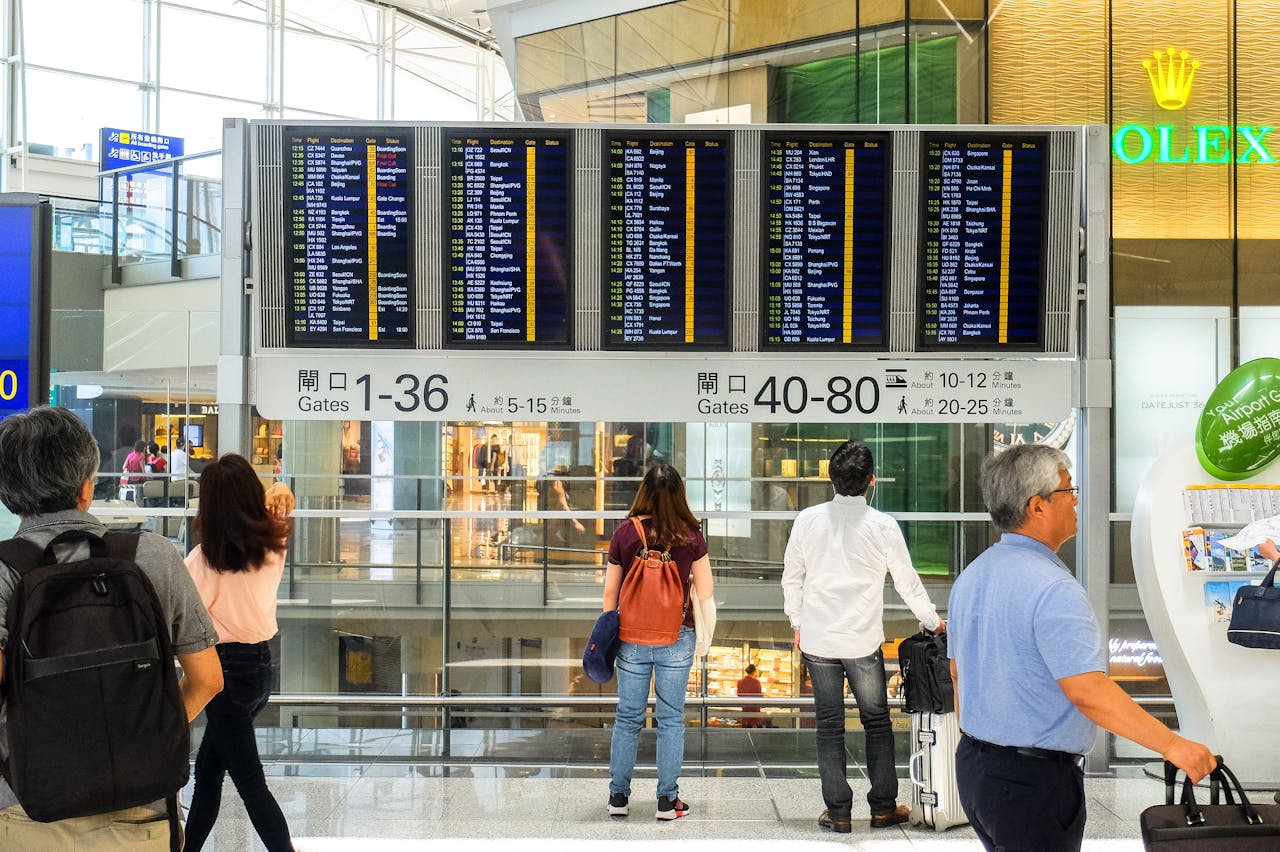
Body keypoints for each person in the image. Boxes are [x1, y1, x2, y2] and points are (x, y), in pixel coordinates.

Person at [948, 444, 1216, 852]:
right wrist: (1173, 745)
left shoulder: (974, 573)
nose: (1075, 500)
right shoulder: (1054, 589)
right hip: (1032, 783)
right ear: (1037, 506)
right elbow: (1087, 690)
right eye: (1067, 491)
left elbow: (957, 673)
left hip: (975, 767)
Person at [0, 406, 224, 849]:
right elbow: (208, 679)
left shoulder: (4, 571)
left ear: (9, 494)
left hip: (26, 808)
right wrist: (140, 739)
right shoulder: (153, 556)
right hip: (141, 808)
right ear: (87, 485)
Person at [781, 440, 944, 833]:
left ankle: (837, 813)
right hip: (862, 642)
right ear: (871, 481)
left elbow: (792, 577)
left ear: (830, 478)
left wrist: (797, 622)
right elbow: (908, 583)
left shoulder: (808, 519)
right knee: (876, 722)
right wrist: (932, 620)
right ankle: (883, 807)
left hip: (818, 640)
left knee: (829, 725)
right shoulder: (882, 526)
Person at [182, 453, 296, 852]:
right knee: (209, 774)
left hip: (222, 675)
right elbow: (277, 500)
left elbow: (183, 620)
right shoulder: (274, 541)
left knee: (250, 784)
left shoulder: (202, 561)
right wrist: (279, 489)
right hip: (261, 668)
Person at [603, 463, 714, 820]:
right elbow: (708, 590)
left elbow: (610, 593)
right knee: (670, 719)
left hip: (631, 637)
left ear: (643, 492)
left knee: (628, 717)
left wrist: (610, 630)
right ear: (679, 494)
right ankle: (667, 801)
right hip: (676, 634)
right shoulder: (690, 535)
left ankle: (619, 797)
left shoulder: (625, 533)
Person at [736, 663, 765, 728]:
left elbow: (738, 694)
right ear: (754, 672)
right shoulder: (756, 682)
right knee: (756, 723)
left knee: (746, 723)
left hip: (745, 706)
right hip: (754, 707)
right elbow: (759, 694)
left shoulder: (740, 681)